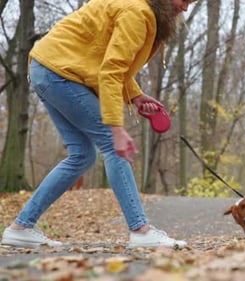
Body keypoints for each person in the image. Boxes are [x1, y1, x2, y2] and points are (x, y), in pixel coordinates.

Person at [1, 0, 195, 249]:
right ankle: (141, 230)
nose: (186, 8)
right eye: (184, 0)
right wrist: (116, 128)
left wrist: (135, 96)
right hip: (60, 73)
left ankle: (21, 227)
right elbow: (111, 72)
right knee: (112, 146)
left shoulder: (140, 10)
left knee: (82, 155)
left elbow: (107, 58)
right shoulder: (138, 12)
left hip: (48, 68)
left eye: (191, 3)